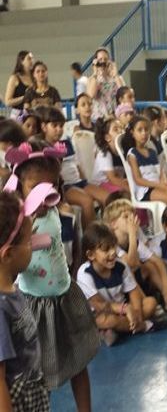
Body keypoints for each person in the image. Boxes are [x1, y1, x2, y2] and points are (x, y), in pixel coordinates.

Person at [4, 140, 99, 412]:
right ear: (20, 186)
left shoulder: (56, 210)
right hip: (34, 306)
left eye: (52, 188)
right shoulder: (18, 223)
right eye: (35, 188)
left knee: (78, 363)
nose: (45, 196)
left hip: (64, 298)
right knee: (38, 370)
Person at [0, 190, 52, 412]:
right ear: (9, 255)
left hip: (32, 392)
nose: (35, 245)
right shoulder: (1, 308)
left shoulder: (12, 288)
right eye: (29, 243)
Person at [77, 222, 167, 344]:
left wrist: (136, 313)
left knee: (150, 303)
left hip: (124, 311)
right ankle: (143, 326)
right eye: (106, 249)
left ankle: (116, 331)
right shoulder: (85, 273)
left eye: (113, 247)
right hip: (101, 314)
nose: (112, 253)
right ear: (90, 255)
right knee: (107, 320)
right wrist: (126, 309)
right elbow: (99, 305)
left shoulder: (121, 266)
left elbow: (134, 293)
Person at [122, 115, 167, 206]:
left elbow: (160, 172)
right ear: (132, 133)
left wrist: (165, 183)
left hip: (159, 185)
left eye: (146, 130)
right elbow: (138, 180)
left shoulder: (152, 152)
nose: (144, 133)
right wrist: (159, 185)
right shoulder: (132, 154)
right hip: (145, 190)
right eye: (140, 130)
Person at [91, 117, 127, 194]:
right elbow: (112, 179)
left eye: (122, 128)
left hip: (114, 182)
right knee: (124, 191)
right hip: (100, 184)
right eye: (116, 129)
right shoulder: (105, 154)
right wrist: (128, 186)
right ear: (107, 137)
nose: (121, 131)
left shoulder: (123, 151)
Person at [87, 47, 125, 121]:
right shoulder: (92, 79)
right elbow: (91, 95)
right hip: (99, 118)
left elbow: (123, 94)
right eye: (100, 59)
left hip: (115, 118)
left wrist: (115, 75)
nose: (103, 62)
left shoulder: (117, 78)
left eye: (105, 59)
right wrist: (96, 73)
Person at [4, 51, 33, 119]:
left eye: (32, 58)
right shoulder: (14, 78)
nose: (32, 61)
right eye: (29, 58)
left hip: (32, 114)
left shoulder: (34, 78)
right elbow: (7, 102)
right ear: (22, 61)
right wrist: (24, 97)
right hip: (18, 115)